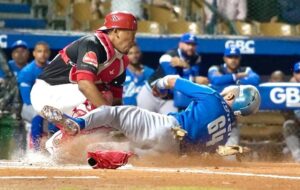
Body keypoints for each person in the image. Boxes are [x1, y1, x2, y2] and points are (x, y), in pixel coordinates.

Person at [41, 75, 261, 155]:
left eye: (235, 91)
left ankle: (77, 124)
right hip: (171, 151)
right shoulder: (225, 133)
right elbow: (198, 154)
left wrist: (159, 85)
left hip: (167, 126)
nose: (231, 90)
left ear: (234, 97)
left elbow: (173, 80)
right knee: (123, 150)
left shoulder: (214, 97)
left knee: (113, 113)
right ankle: (74, 154)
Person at [30, 12, 137, 117]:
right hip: (46, 93)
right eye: (131, 34)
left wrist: (119, 123)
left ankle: (70, 130)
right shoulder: (92, 43)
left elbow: (116, 101)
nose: (133, 40)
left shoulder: (121, 62)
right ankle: (82, 127)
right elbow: (85, 86)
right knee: (100, 97)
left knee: (108, 99)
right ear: (116, 31)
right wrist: (110, 117)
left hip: (70, 96)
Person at [137, 33, 208, 114]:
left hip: (169, 98)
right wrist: (193, 79)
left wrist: (186, 66)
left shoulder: (196, 58)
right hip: (151, 94)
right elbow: (171, 79)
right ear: (180, 44)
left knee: (171, 124)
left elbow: (194, 73)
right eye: (187, 44)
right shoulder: (168, 57)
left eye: (193, 44)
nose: (190, 47)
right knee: (144, 123)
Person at [18, 42, 58, 150]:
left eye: (45, 51)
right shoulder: (27, 71)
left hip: (48, 105)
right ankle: (36, 151)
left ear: (49, 53)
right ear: (34, 53)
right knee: (38, 116)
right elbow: (26, 98)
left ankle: (54, 148)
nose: (43, 54)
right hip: (30, 106)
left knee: (58, 117)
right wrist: (43, 109)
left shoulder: (53, 68)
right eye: (39, 51)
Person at [282, 61, 300, 162]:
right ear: (294, 74)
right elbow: (284, 112)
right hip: (297, 126)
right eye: (298, 72)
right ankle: (298, 159)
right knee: (288, 124)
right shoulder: (287, 89)